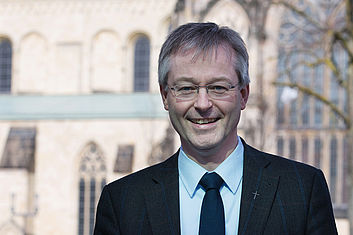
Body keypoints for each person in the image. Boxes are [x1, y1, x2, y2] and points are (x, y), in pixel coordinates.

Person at [94, 22, 338, 235]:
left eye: (218, 88)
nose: (202, 104)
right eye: (186, 88)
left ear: (243, 95)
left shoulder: (301, 190)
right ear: (165, 96)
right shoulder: (123, 202)